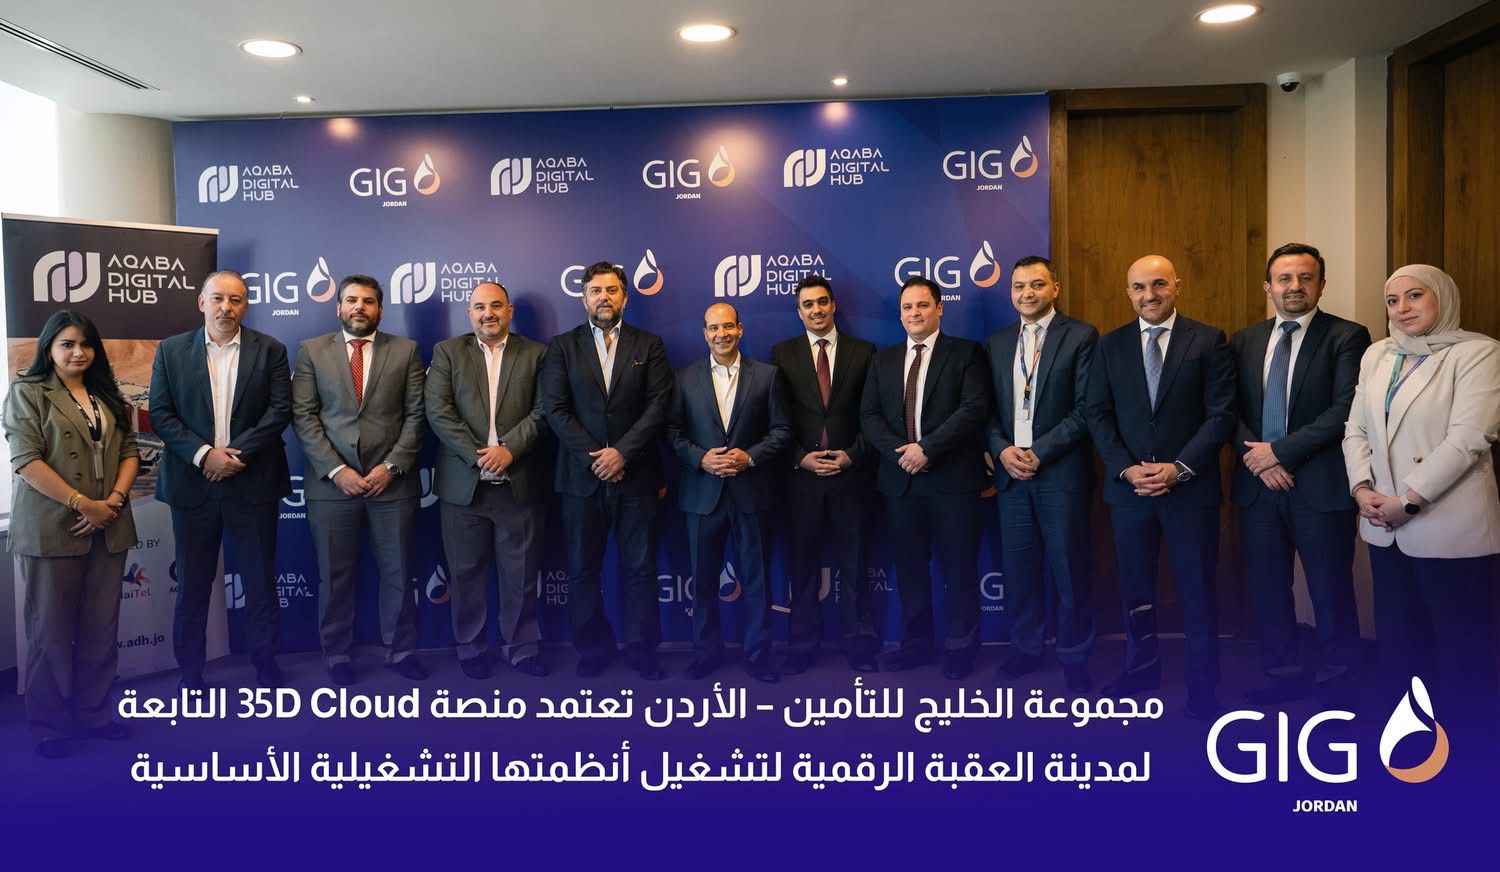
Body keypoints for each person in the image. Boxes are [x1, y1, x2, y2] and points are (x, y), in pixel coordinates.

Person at [1343, 264, 1500, 715]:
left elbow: (1469, 438)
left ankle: (1467, 742)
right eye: (1392, 301)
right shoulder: (1377, 354)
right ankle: (1409, 739)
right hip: (1383, 525)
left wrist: (1409, 501)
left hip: (1449, 525)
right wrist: (1361, 488)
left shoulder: (1479, 353)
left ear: (1442, 298)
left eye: (1415, 296)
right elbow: (1356, 429)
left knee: (1461, 647)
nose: (1402, 308)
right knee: (1399, 642)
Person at [1085, 255, 1234, 719]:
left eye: (1158, 285)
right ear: (1128, 293)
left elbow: (1221, 415)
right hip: (1129, 492)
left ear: (1177, 286)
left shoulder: (1208, 340)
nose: (1149, 295)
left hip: (1190, 491)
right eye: (1139, 287)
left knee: (1197, 591)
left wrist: (1180, 468)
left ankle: (1202, 685)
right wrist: (1126, 469)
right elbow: (1097, 414)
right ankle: (1141, 670)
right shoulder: (1109, 346)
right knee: (1135, 591)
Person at [1230, 244, 1369, 705]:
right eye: (1285, 278)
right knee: (1268, 587)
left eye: (1306, 278)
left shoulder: (1347, 336)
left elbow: (1344, 410)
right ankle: (1281, 672)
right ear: (1267, 287)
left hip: (1319, 485)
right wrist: (1259, 460)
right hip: (1258, 488)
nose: (1295, 286)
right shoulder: (1245, 340)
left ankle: (1340, 678)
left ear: (1321, 285)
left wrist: (1279, 454)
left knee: (1330, 587)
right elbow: (1229, 411)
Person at [4, 310, 138, 759]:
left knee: (101, 628)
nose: (78, 352)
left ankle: (95, 714)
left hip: (109, 525)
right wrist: (84, 504)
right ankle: (51, 726)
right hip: (53, 527)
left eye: (85, 344)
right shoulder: (27, 392)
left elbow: (131, 451)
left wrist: (112, 502)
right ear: (49, 348)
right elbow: (26, 461)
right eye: (67, 344)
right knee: (51, 633)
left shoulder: (107, 394)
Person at [150, 270, 293, 691]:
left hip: (253, 482)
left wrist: (233, 456)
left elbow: (279, 411)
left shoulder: (271, 349)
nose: (226, 308)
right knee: (192, 584)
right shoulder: (171, 350)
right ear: (202, 302)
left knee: (260, 581)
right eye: (217, 298)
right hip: (192, 484)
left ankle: (265, 664)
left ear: (245, 305)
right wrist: (204, 455)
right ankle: (190, 672)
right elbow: (160, 413)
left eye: (235, 300)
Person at [292, 274, 428, 685]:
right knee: (334, 578)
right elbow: (304, 416)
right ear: (338, 307)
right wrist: (338, 470)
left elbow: (417, 415)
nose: (359, 307)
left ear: (380, 309)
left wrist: (392, 466)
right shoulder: (312, 351)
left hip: (392, 485)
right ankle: (337, 654)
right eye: (351, 300)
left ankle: (401, 651)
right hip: (332, 486)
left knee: (398, 573)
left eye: (368, 301)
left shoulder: (405, 351)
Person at [541, 261, 674, 680]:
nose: (604, 297)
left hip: (637, 475)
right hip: (581, 478)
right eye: (596, 291)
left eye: (612, 290)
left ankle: (641, 650)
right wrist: (597, 458)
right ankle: (593, 650)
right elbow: (555, 410)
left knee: (640, 569)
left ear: (625, 297)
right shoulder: (562, 346)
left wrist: (622, 454)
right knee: (583, 569)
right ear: (584, 298)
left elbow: (659, 405)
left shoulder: (649, 344)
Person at [860, 276, 990, 679]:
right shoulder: (882, 360)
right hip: (902, 481)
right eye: (907, 307)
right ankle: (916, 644)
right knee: (911, 569)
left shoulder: (966, 353)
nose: (914, 313)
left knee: (959, 569)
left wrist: (927, 448)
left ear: (939, 308)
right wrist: (903, 454)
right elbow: (869, 416)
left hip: (953, 481)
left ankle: (961, 646)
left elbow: (974, 408)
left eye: (922, 305)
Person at [425, 282, 551, 679]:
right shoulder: (447, 352)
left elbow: (544, 409)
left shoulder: (537, 354)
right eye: (479, 307)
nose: (488, 313)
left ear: (509, 311)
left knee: (522, 575)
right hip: (465, 486)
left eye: (496, 305)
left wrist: (509, 450)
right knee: (465, 575)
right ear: (469, 314)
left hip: (519, 481)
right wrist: (477, 455)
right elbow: (438, 410)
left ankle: (522, 648)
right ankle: (471, 647)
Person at [985, 256, 1098, 691]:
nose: (1027, 293)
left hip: (1060, 473)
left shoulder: (1081, 336)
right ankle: (1026, 648)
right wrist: (1002, 450)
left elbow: (1086, 409)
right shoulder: (997, 341)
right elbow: (986, 411)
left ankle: (1074, 654)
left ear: (1056, 288)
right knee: (1019, 568)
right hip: (1011, 474)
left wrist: (1040, 452)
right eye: (1019, 286)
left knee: (1070, 568)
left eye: (1036, 284)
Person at [669, 302, 791, 682]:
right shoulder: (683, 377)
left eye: (727, 327)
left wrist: (749, 457)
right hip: (701, 496)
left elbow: (782, 431)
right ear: (704, 333)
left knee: (756, 580)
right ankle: (705, 654)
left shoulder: (768, 376)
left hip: (752, 494)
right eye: (713, 328)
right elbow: (672, 433)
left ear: (740, 329)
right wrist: (701, 458)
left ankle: (758, 656)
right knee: (702, 581)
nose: (720, 334)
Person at [771, 275, 879, 673]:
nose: (816, 310)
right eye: (808, 304)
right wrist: (800, 458)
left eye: (821, 302)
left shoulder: (863, 352)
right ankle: (802, 645)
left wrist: (853, 456)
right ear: (798, 312)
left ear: (833, 305)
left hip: (851, 477)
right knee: (802, 568)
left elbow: (874, 415)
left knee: (855, 564)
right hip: (802, 480)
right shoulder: (782, 354)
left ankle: (859, 643)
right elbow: (776, 418)